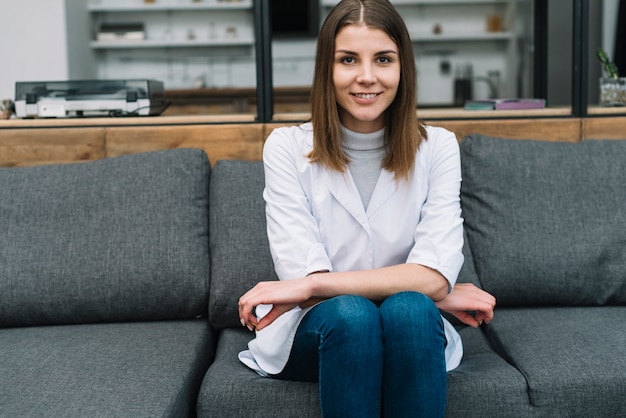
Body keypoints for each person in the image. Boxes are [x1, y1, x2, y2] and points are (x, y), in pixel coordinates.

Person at [238, 1, 496, 417]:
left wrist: (432, 288)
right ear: (328, 69)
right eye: (348, 60)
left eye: (383, 59)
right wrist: (433, 290)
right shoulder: (286, 148)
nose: (367, 76)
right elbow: (308, 281)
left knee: (410, 310)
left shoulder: (439, 148)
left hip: (406, 325)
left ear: (403, 68)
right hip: (324, 329)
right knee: (356, 315)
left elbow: (430, 279)